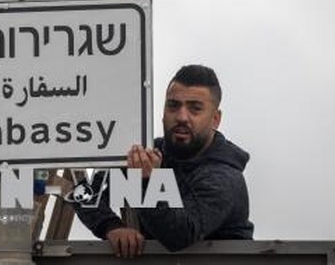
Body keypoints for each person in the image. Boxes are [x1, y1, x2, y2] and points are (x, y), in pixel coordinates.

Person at [75, 64, 254, 257]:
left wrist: (148, 181)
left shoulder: (224, 177)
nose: (182, 117)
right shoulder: (148, 155)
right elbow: (83, 194)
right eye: (173, 106)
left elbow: (178, 235)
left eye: (195, 109)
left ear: (215, 119)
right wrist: (111, 226)